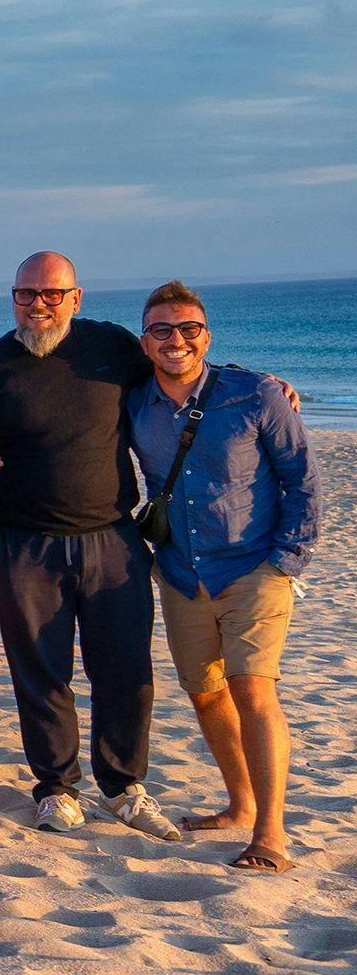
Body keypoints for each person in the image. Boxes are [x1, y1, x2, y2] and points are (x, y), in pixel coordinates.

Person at [0, 251, 178, 839]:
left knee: (125, 671)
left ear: (76, 298)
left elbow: (178, 371)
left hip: (114, 540)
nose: (38, 305)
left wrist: (257, 384)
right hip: (25, 546)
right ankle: (55, 787)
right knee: (41, 673)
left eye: (52, 294)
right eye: (26, 294)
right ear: (13, 297)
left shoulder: (115, 348)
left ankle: (124, 786)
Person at [125, 281, 316, 872]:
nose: (177, 340)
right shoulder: (133, 402)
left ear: (207, 335)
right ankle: (238, 806)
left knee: (252, 688)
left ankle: (270, 833)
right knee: (205, 693)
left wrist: (286, 561)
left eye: (190, 329)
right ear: (144, 339)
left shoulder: (256, 394)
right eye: (162, 329)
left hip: (254, 565)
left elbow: (301, 481)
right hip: (181, 571)